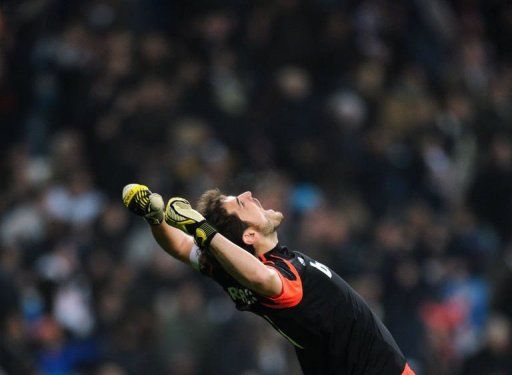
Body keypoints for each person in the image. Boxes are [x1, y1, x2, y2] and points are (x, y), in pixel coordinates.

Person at [122, 183, 415, 374]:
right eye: (240, 202)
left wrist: (154, 217)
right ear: (249, 235)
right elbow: (264, 279)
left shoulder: (231, 272)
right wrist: (203, 229)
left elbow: (182, 246)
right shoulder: (276, 276)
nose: (249, 195)